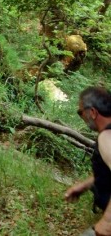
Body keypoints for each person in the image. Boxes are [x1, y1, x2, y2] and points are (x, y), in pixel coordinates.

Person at [65, 87, 111, 236]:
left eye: (80, 112)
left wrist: (107, 222)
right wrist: (83, 186)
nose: (81, 117)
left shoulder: (106, 137)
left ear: (92, 112)